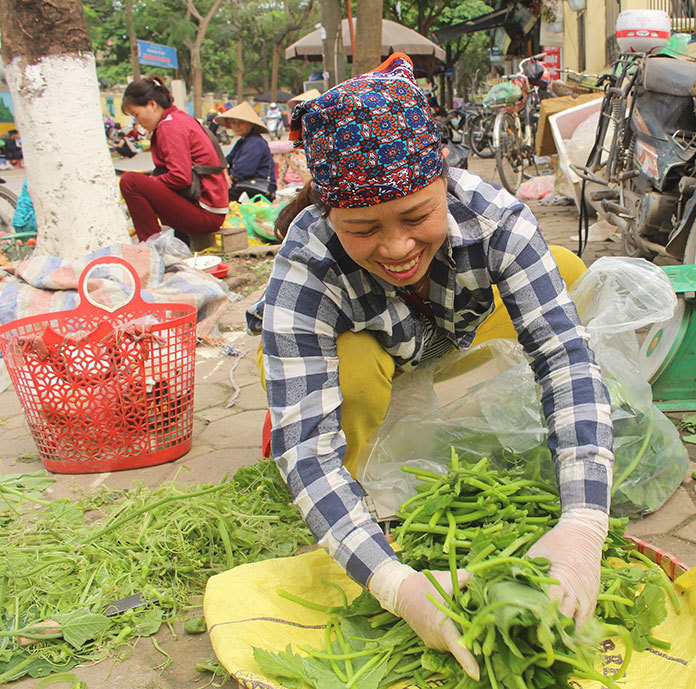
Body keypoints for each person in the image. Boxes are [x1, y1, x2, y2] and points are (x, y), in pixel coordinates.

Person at [246, 53, 613, 681]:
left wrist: (583, 524)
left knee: (567, 276)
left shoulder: (496, 220)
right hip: (363, 356)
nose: (395, 247)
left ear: (445, 181)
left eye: (418, 217)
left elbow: (563, 359)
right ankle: (365, 501)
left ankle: (440, 425)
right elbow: (308, 451)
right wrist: (395, 584)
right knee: (351, 374)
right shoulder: (305, 266)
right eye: (364, 229)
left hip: (443, 346)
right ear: (329, 216)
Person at [118, 74, 228, 243]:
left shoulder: (169, 126)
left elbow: (180, 177)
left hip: (205, 213)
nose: (137, 122)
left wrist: (149, 183)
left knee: (130, 181)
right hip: (211, 209)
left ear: (152, 105)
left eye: (136, 114)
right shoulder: (178, 117)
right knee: (142, 182)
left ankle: (154, 248)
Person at [219, 102, 276, 202]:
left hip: (257, 188)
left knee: (220, 200)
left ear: (250, 124)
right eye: (234, 122)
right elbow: (227, 160)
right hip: (245, 185)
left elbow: (241, 172)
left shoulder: (255, 142)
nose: (236, 126)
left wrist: (228, 177)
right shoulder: (242, 142)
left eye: (241, 122)